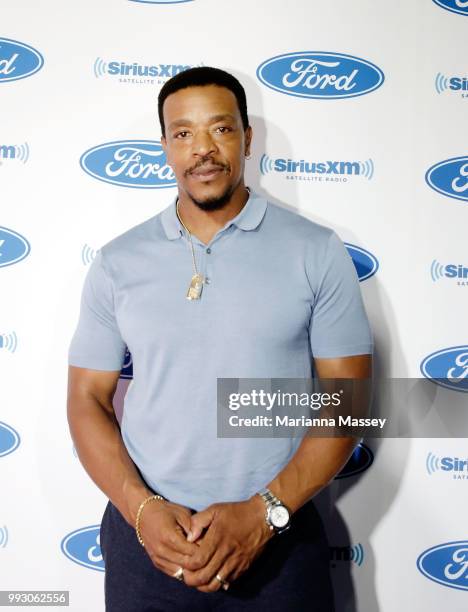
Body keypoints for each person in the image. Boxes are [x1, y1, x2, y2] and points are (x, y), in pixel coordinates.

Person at [67, 66, 373, 611]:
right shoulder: (118, 263)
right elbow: (86, 398)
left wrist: (264, 513)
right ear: (164, 147)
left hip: (279, 540)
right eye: (183, 133)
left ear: (247, 138)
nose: (202, 149)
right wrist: (141, 510)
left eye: (220, 129)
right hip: (148, 543)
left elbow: (348, 405)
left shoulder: (317, 252)